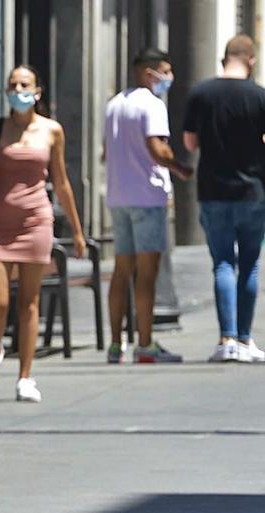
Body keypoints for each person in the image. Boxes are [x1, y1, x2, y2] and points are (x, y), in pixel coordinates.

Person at [0, 65, 88, 403]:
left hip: (35, 221)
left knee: (29, 302)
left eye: (24, 84)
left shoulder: (51, 131)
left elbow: (61, 181)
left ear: (37, 91)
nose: (18, 90)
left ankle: (25, 375)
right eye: (12, 85)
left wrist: (78, 230)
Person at [103, 48, 193, 363]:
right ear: (148, 73)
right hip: (147, 196)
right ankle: (144, 344)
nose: (169, 78)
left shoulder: (114, 104)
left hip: (118, 197)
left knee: (121, 271)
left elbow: (107, 151)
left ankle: (115, 345)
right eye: (165, 71)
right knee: (147, 273)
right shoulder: (152, 105)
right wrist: (180, 168)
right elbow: (157, 147)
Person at [182, 35, 265, 363]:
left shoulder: (201, 93)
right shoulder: (260, 97)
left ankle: (225, 339)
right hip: (253, 192)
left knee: (222, 263)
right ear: (252, 60)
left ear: (224, 58)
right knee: (249, 265)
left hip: (213, 190)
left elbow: (189, 143)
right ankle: (245, 340)